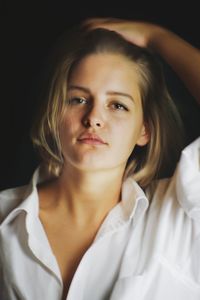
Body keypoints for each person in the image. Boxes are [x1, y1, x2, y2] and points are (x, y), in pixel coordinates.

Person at [0, 17, 199, 300]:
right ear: (55, 113)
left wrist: (158, 38)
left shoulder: (177, 218)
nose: (93, 118)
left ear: (145, 130)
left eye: (117, 105)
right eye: (78, 99)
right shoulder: (3, 217)